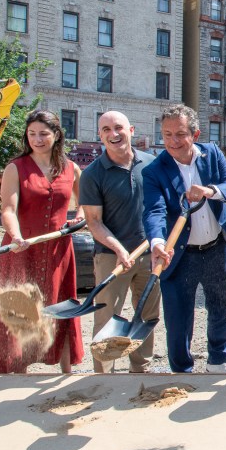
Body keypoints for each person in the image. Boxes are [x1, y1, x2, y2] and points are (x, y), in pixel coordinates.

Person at [0, 110, 84, 374]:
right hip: (22, 249)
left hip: (58, 249)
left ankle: (66, 372)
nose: (37, 139)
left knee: (60, 304)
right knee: (19, 310)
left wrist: (77, 219)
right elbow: (8, 210)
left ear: (57, 135)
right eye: (32, 134)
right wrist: (17, 235)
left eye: (43, 134)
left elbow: (85, 205)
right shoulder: (15, 168)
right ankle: (17, 371)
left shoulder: (71, 168)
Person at [142, 104, 226, 374]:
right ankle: (181, 369)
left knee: (220, 305)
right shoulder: (154, 171)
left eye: (180, 134)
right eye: (167, 134)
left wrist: (210, 191)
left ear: (195, 134)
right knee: (178, 316)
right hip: (179, 254)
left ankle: (218, 362)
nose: (173, 141)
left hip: (215, 248)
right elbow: (154, 211)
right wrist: (158, 243)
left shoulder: (212, 154)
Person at [80, 111, 158, 373]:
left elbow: (160, 208)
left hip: (149, 254)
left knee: (147, 315)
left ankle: (141, 369)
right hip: (111, 256)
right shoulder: (92, 174)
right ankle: (104, 376)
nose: (113, 134)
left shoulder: (150, 164)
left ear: (132, 130)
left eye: (118, 128)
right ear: (100, 135)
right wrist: (120, 250)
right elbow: (94, 222)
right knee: (106, 316)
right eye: (106, 130)